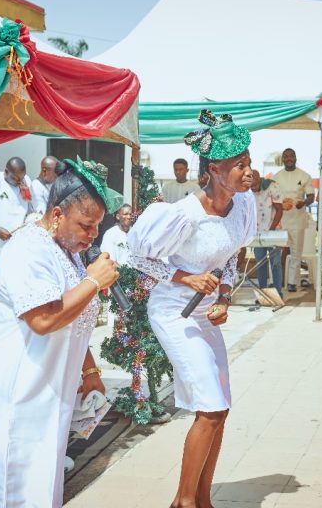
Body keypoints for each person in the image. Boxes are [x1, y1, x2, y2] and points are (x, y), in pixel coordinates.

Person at [0, 157, 122, 508]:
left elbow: (73, 317)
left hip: (42, 388)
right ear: (57, 214)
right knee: (8, 488)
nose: (92, 236)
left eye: (97, 227)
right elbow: (43, 320)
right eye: (86, 225)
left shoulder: (66, 250)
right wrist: (92, 281)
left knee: (38, 484)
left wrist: (89, 371)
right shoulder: (27, 249)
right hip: (10, 390)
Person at [128, 110, 256, 508]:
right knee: (210, 409)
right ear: (215, 170)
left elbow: (231, 257)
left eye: (249, 163)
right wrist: (186, 278)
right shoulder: (184, 213)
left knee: (222, 408)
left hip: (204, 314)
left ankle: (203, 499)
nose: (249, 172)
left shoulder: (243, 205)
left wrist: (224, 296)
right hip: (172, 312)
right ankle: (183, 502)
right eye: (239, 165)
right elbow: (138, 258)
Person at [273, 148, 315, 292]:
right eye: (286, 156)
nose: (289, 158)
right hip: (280, 219)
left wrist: (303, 202)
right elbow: (272, 197)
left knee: (296, 252)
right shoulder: (276, 177)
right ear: (283, 159)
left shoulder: (304, 176)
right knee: (277, 252)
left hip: (298, 218)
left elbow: (311, 196)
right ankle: (277, 281)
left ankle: (292, 282)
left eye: (291, 156)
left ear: (296, 158)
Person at [251, 169, 284, 297]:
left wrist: (271, 229)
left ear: (259, 179)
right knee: (260, 263)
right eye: (251, 186)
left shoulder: (272, 186)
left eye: (255, 185)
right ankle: (263, 293)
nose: (253, 188)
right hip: (257, 233)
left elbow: (280, 209)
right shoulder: (247, 190)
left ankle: (278, 293)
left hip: (273, 231)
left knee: (276, 263)